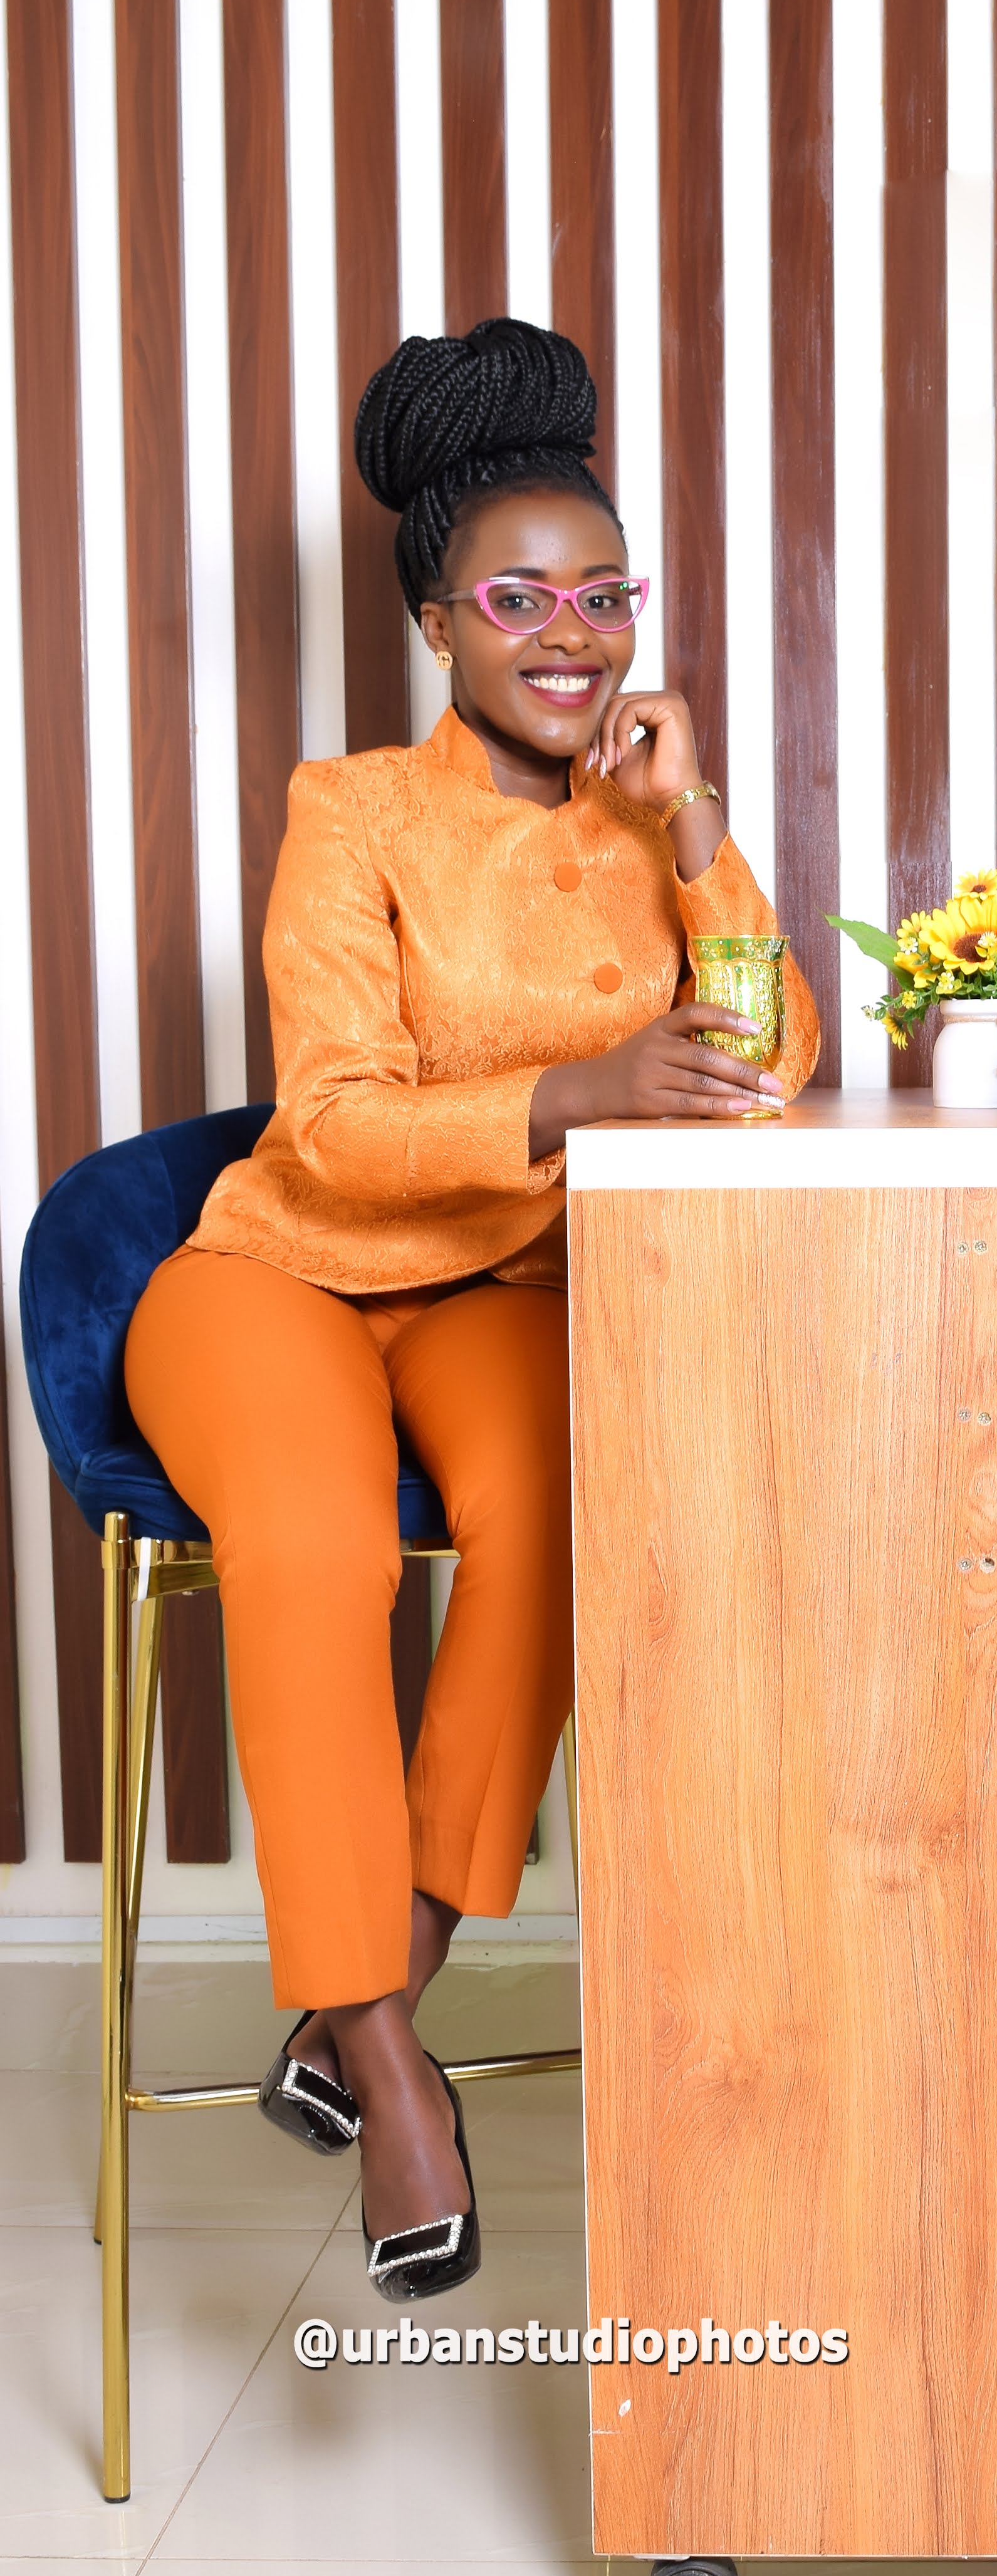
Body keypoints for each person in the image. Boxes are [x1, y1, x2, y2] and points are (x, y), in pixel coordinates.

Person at [126, 318, 818, 2302]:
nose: (570, 632)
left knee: (573, 1505)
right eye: (518, 597)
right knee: (320, 1541)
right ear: (436, 620)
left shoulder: (649, 823)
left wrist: (698, 833)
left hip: (498, 1283)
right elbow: (332, 1124)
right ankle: (386, 2063)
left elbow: (774, 1059)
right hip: (282, 1267)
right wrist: (582, 1087)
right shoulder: (350, 810)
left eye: (604, 593)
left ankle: (379, 1983)